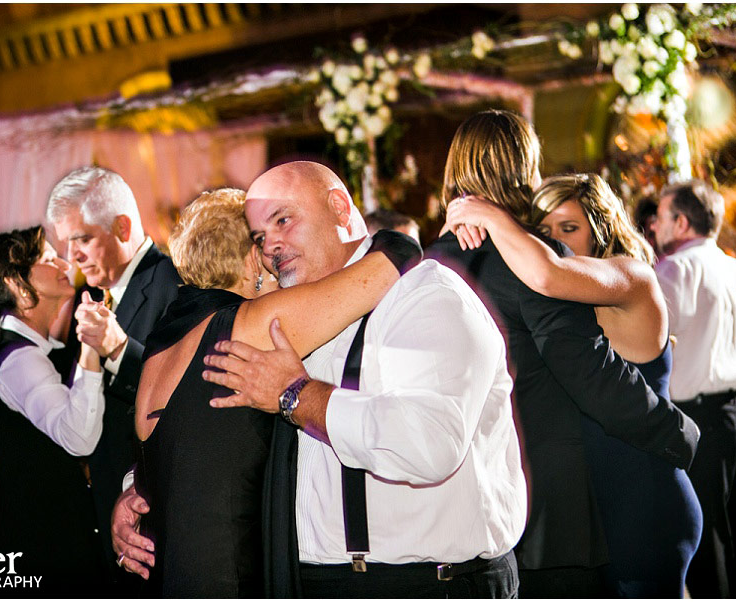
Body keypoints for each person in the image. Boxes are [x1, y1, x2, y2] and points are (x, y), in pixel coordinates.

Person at [174, 161, 527, 598]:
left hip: (426, 583)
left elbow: (428, 444)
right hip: (317, 582)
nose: (271, 246)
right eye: (261, 237)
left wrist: (296, 395)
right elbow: (209, 415)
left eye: (283, 219)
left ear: (340, 208)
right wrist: (142, 488)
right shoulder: (291, 313)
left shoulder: (425, 295)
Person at [425, 110, 699, 598]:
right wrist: (680, 432)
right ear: (523, 168)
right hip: (549, 509)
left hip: (532, 504)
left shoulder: (434, 262)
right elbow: (588, 373)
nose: (556, 237)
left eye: (569, 226)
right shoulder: (528, 260)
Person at [123, 187, 420, 596]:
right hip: (230, 580)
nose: (275, 252)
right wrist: (393, 237)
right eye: (262, 241)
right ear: (251, 260)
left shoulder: (165, 339)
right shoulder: (249, 326)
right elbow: (386, 268)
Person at [0, 226, 108, 596]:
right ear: (17, 285)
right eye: (45, 259)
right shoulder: (19, 359)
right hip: (42, 555)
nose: (62, 261)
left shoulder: (40, 350)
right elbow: (78, 436)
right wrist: (92, 349)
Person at [45, 166, 181, 572]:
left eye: (82, 239)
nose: (72, 257)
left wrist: (118, 348)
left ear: (122, 227)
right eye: (66, 245)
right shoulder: (91, 294)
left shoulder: (173, 283)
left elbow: (180, 397)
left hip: (150, 519)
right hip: (103, 515)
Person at [651, 179, 736, 599]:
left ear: (680, 222)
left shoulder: (675, 269)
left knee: (707, 537)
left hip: (706, 420)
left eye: (660, 217)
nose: (656, 227)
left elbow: (653, 340)